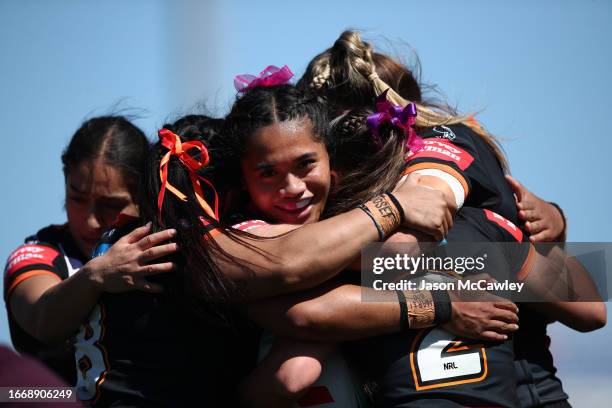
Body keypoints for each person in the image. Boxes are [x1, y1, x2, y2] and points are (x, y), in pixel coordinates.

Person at [3, 116, 178, 385]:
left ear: (145, 196)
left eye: (110, 204)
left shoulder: (167, 248)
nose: (89, 220)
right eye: (77, 197)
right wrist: (97, 274)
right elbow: (42, 319)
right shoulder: (38, 254)